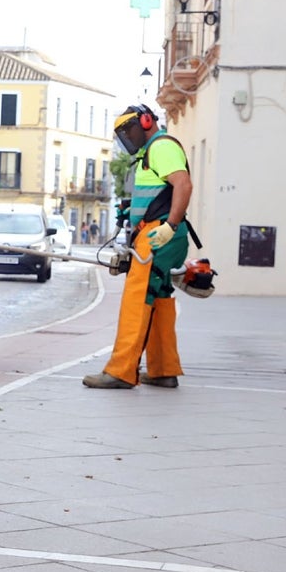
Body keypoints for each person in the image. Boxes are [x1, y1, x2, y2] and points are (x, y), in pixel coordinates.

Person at [84, 104, 193, 390]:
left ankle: (120, 371)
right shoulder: (150, 153)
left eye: (129, 131)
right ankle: (163, 370)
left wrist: (169, 225)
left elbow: (183, 185)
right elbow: (161, 191)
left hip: (159, 235)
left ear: (146, 122)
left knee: (136, 299)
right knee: (158, 299)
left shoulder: (161, 147)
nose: (127, 138)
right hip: (161, 233)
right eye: (123, 134)